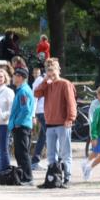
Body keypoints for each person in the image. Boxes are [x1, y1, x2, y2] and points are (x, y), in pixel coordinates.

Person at [33, 58, 77, 188]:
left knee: (65, 152)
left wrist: (70, 118)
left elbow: (71, 102)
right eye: (48, 70)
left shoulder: (65, 84)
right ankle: (52, 177)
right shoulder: (48, 84)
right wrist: (45, 81)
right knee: (51, 153)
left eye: (52, 70)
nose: (51, 73)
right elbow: (36, 93)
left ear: (58, 70)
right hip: (50, 122)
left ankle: (67, 178)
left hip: (63, 123)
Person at [8, 67, 35, 185]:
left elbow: (26, 109)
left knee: (22, 152)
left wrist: (17, 123)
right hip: (21, 125)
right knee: (19, 152)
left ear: (20, 77)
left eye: (14, 76)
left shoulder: (23, 91)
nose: (13, 78)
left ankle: (28, 177)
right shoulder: (21, 90)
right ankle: (23, 176)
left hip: (22, 126)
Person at [82, 85, 100, 182]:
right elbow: (93, 122)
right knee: (98, 154)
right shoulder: (98, 108)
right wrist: (93, 136)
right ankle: (88, 167)